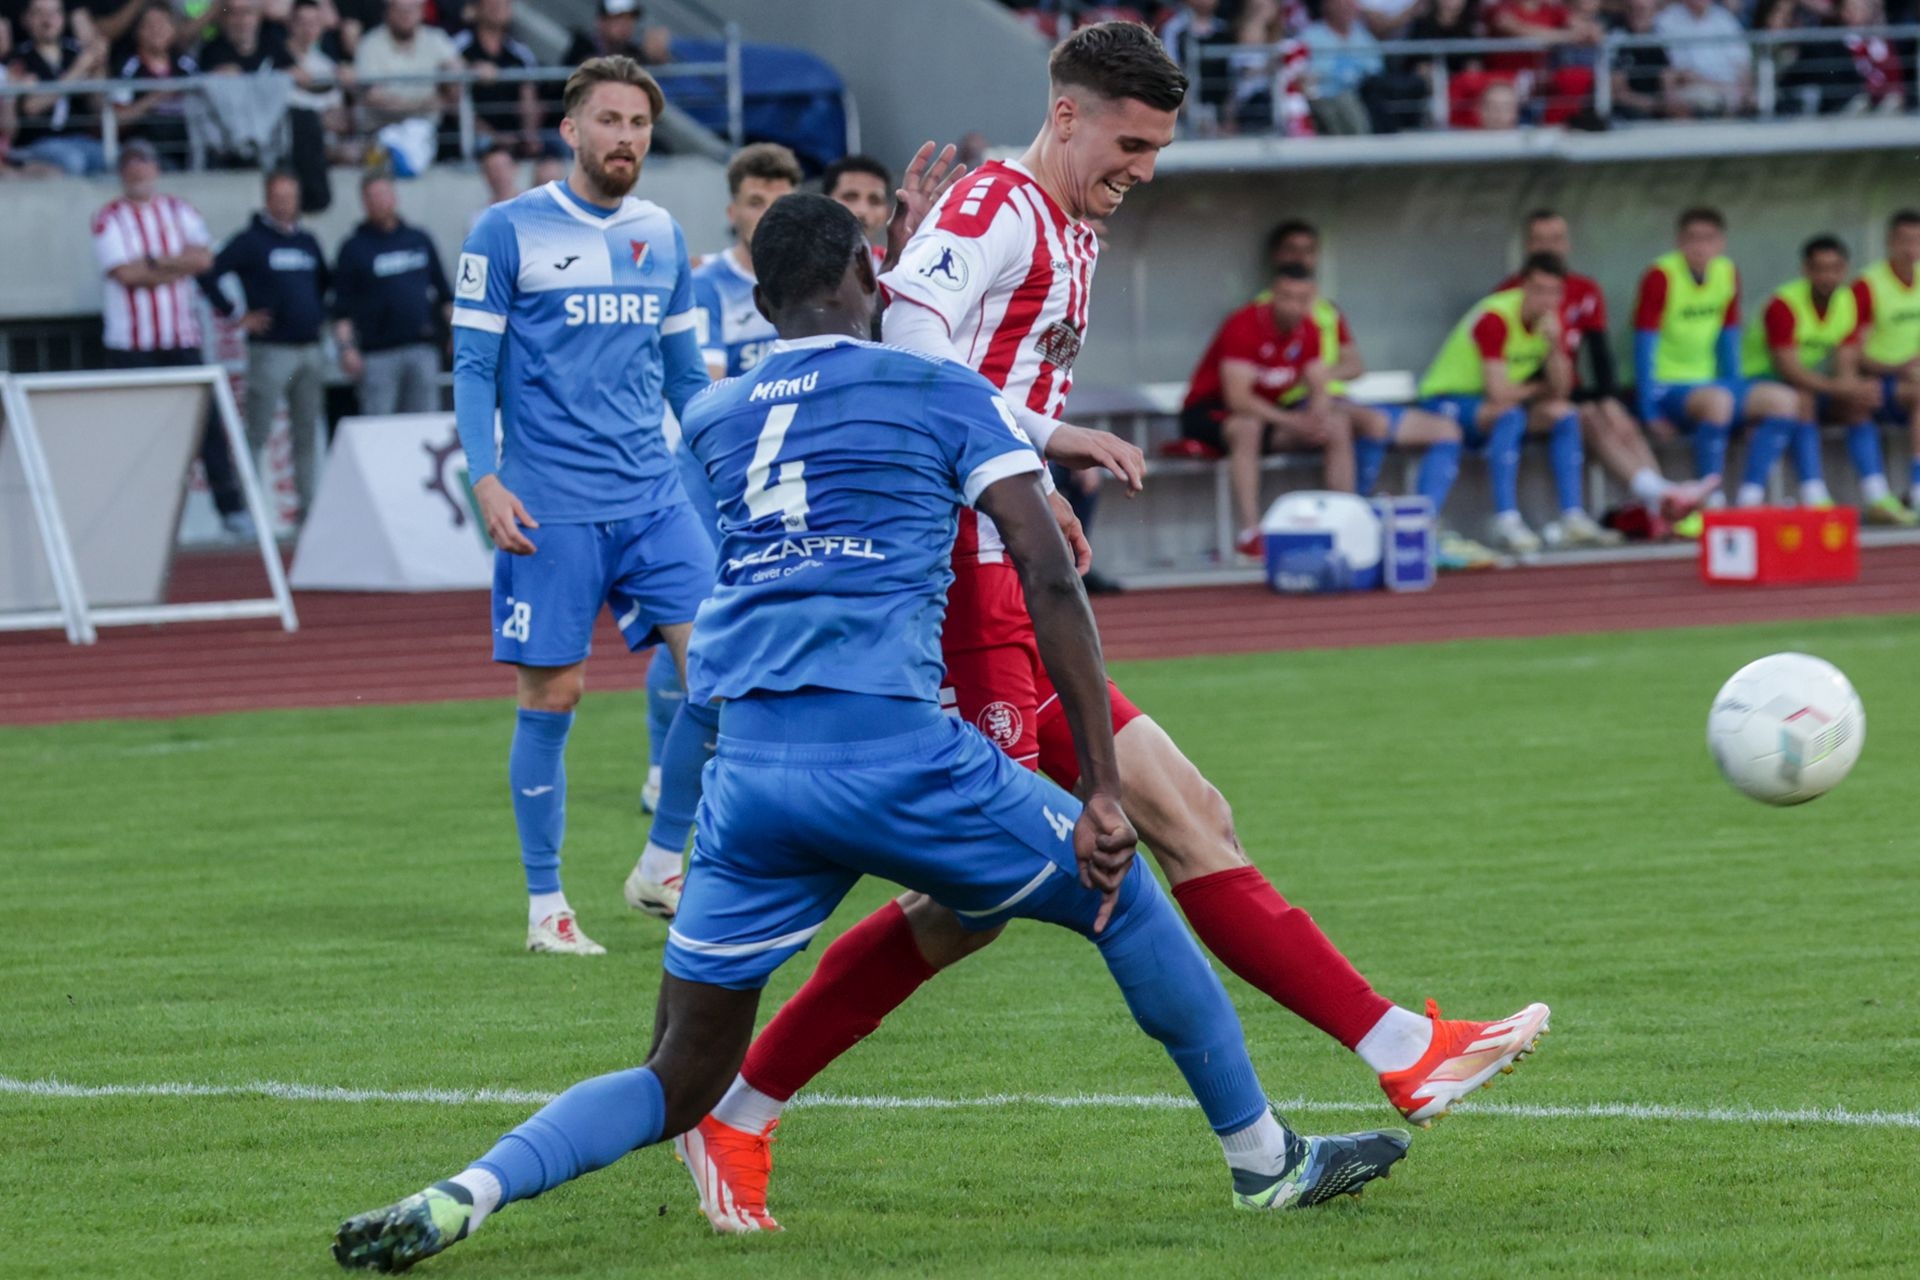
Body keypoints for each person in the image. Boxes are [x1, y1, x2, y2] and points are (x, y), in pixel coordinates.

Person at [329, 195, 1414, 1273]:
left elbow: (717, 604)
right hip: (896, 753)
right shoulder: (940, 387)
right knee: (1119, 891)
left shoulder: (713, 416)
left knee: (677, 1073)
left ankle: (465, 1190)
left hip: (752, 777)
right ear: (869, 272)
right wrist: (1101, 786)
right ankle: (1265, 1160)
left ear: (761, 303)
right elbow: (1046, 574)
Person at [676, 22, 1548, 1234]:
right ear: (1066, 113)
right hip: (967, 592)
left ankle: (1400, 1049)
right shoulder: (1001, 205)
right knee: (975, 900)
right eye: (1130, 143)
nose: (1143, 167)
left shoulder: (1063, 221)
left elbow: (924, 336)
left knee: (1188, 814)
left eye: (1158, 148)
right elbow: (912, 342)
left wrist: (1032, 476)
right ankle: (737, 1109)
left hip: (1000, 574)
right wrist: (1042, 446)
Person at [445, 56, 714, 956]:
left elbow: (684, 377)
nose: (625, 137)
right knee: (554, 695)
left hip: (654, 498)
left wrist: (729, 459)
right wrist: (486, 476)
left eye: (638, 123)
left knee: (722, 677)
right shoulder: (505, 230)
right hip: (550, 505)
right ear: (571, 130)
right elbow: (473, 366)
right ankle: (545, 906)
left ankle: (662, 862)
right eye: (609, 120)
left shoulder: (662, 234)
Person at [1267, 220, 1485, 566]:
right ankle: (1356, 525)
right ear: (1276, 256)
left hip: (1344, 400)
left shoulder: (1326, 310)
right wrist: (1310, 380)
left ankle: (1421, 529)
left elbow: (1355, 364)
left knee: (1445, 431)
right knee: (1370, 423)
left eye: (1308, 251)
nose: (1301, 258)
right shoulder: (1267, 310)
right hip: (1302, 405)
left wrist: (1323, 373)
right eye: (1292, 250)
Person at [1498, 210, 1717, 528]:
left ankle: (1663, 504)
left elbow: (1598, 353)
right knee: (1586, 416)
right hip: (1529, 396)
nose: (1549, 247)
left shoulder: (1584, 289)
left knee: (1615, 415)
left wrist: (1609, 398)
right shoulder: (1506, 296)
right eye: (1540, 240)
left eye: (1556, 239)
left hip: (1566, 387)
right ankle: (1660, 497)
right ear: (1527, 246)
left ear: (1567, 244)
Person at [91, 139, 253, 540]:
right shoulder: (108, 218)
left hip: (180, 337)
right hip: (132, 345)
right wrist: (174, 265)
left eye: (144, 165)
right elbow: (126, 275)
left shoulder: (180, 210)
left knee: (206, 424)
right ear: (122, 174)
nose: (138, 173)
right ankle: (143, 517)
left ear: (155, 170)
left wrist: (153, 263)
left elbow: (204, 260)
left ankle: (231, 508)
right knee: (141, 432)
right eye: (131, 167)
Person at [1417, 252, 1617, 551]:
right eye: (1539, 291)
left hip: (1494, 403)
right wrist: (1540, 388)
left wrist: (1554, 346)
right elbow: (1498, 392)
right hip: (1447, 400)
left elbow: (1561, 390)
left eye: (1554, 292)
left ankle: (1572, 517)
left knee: (1564, 414)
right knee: (1509, 415)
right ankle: (1506, 519)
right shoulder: (1495, 318)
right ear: (1523, 287)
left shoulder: (1552, 323)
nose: (1546, 300)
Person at [1632, 206, 1803, 529]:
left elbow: (1728, 338)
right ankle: (1711, 503)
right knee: (1718, 402)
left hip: (1712, 383)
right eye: (1692, 238)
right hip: (1669, 385)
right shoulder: (1660, 276)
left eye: (1708, 239)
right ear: (1679, 242)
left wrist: (1741, 400)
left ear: (1721, 243)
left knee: (1785, 400)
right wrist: (1648, 409)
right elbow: (1644, 342)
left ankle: (1750, 497)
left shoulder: (1726, 272)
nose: (1700, 247)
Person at [1741, 235, 1915, 522]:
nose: (1827, 277)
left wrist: (1852, 389)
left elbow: (1846, 360)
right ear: (1806, 270)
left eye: (1834, 269)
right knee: (1804, 399)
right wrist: (1841, 388)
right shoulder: (1783, 305)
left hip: (1810, 383)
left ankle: (1878, 496)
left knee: (1857, 404)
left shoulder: (1846, 301)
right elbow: (1789, 369)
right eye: (1820, 269)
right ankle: (1815, 496)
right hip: (1760, 382)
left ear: (1844, 269)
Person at [1182, 262, 1358, 540]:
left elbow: (1319, 383)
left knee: (1336, 424)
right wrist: (1294, 422)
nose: (1294, 307)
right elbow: (1238, 399)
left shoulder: (1309, 329)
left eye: (1302, 299)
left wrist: (1316, 419)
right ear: (1273, 294)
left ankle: (1345, 525)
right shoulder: (1243, 324)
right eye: (1287, 297)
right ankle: (1251, 533)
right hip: (1210, 413)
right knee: (1247, 427)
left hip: (1270, 417)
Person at [202, 169, 331, 520]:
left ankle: (309, 509)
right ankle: (248, 509)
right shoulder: (251, 241)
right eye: (279, 197)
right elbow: (209, 273)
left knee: (306, 432)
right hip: (271, 352)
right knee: (256, 431)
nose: (286, 204)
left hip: (309, 350)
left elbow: (322, 284)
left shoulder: (307, 241)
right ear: (267, 199)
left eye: (291, 197)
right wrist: (236, 314)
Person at [332, 172, 452, 416]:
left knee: (425, 423)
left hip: (422, 348)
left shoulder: (418, 239)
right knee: (379, 424)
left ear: (395, 197)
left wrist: (458, 333)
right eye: (372, 197)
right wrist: (346, 349)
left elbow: (444, 295)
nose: (379, 202)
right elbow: (341, 309)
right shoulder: (353, 248)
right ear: (364, 202)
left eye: (383, 194)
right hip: (377, 355)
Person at [690, 142, 802, 380]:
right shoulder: (706, 285)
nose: (769, 215)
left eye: (780, 203)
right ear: (732, 213)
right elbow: (709, 389)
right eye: (755, 203)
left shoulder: (814, 281)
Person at [1852, 209, 1920, 512]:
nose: (1911, 249)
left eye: (1918, 240)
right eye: (1905, 240)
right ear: (1890, 241)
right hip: (1881, 381)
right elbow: (1855, 354)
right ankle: (1917, 489)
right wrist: (1900, 368)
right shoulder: (1867, 285)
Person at [353, 0, 460, 172]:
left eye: (412, 9)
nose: (406, 16)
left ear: (422, 12)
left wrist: (448, 87)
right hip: (381, 129)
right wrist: (424, 104)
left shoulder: (437, 39)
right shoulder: (370, 43)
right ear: (388, 12)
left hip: (430, 130)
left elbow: (457, 78)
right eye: (400, 10)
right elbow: (373, 97)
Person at [8, 0, 109, 175]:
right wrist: (78, 70)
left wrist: (98, 67)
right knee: (73, 161)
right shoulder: (17, 58)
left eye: (54, 13)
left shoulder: (75, 52)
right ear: (26, 19)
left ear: (63, 18)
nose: (47, 20)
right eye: (39, 13)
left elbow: (97, 106)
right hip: (36, 141)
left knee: (111, 159)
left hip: (79, 138)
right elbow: (31, 107)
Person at [109, 3, 196, 166]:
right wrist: (155, 98)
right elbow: (118, 117)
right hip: (147, 149)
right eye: (150, 25)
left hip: (187, 144)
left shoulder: (186, 65)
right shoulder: (128, 68)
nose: (157, 30)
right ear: (138, 31)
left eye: (163, 24)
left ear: (173, 30)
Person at [452, 0, 540, 158]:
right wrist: (470, 70)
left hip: (514, 140)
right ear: (477, 8)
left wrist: (529, 137)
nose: (498, 5)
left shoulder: (521, 54)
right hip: (471, 139)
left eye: (504, 3)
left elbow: (529, 101)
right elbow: (451, 99)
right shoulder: (458, 47)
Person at [1653, 0, 1752, 117]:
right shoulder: (1667, 20)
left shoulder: (1723, 17)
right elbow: (1682, 72)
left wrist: (1745, 89)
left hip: (1732, 89)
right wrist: (1723, 89)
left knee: (1759, 98)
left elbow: (1742, 62)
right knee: (1709, 98)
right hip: (1696, 89)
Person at [820, 152, 892, 258]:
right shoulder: (798, 262)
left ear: (887, 212)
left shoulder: (899, 266)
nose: (862, 210)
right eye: (850, 197)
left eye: (875, 201)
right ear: (823, 204)